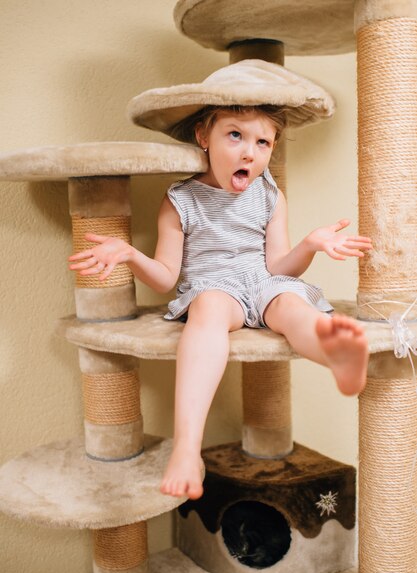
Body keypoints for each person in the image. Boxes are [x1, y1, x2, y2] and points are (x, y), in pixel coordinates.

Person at [69, 104, 372, 501]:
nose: (250, 152)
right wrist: (129, 254)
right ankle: (187, 449)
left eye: (263, 142)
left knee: (291, 304)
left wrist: (311, 245)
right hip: (214, 287)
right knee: (208, 307)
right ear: (203, 138)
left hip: (262, 282)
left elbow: (280, 265)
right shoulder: (181, 200)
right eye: (235, 135)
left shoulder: (270, 195)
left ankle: (337, 352)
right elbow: (164, 276)